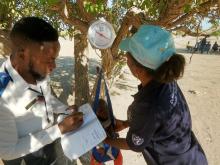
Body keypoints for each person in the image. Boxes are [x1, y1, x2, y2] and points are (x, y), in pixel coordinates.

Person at [104, 25, 208, 165]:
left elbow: (134, 145)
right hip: (192, 155)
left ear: (138, 70)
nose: (125, 56)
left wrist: (104, 139)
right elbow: (157, 122)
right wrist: (128, 123)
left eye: (128, 54)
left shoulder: (148, 106)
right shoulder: (165, 76)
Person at [0, 17, 84, 165]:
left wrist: (63, 108)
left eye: (55, 58)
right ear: (22, 54)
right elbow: (8, 151)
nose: (54, 66)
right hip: (24, 157)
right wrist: (59, 129)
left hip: (48, 143)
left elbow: (44, 97)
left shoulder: (37, 71)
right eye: (49, 60)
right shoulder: (3, 96)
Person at [90, 99, 123, 165]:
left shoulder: (110, 117)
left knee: (119, 158)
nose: (104, 112)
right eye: (100, 110)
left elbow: (115, 127)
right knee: (96, 160)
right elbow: (92, 137)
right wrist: (99, 146)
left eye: (105, 108)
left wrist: (115, 132)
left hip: (111, 144)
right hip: (99, 146)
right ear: (95, 113)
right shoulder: (94, 123)